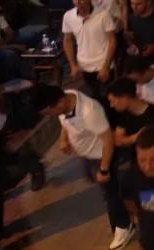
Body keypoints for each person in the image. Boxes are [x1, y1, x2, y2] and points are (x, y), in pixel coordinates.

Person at [35, 85, 134, 249]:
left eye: (49, 112)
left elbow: (109, 139)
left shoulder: (89, 111)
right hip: (88, 156)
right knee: (105, 189)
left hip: (101, 157)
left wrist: (104, 169)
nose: (50, 116)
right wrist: (63, 137)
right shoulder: (66, 101)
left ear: (60, 102)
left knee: (110, 193)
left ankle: (124, 226)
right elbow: (63, 120)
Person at [63, 0, 117, 100]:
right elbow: (67, 41)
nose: (77, 2)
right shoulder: (68, 16)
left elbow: (112, 40)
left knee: (109, 99)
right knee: (92, 99)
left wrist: (106, 66)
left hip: (102, 64)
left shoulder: (103, 15)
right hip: (84, 65)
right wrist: (73, 64)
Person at [106, 78, 154, 156]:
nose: (111, 105)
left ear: (125, 97)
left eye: (113, 101)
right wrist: (135, 137)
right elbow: (118, 140)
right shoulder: (123, 115)